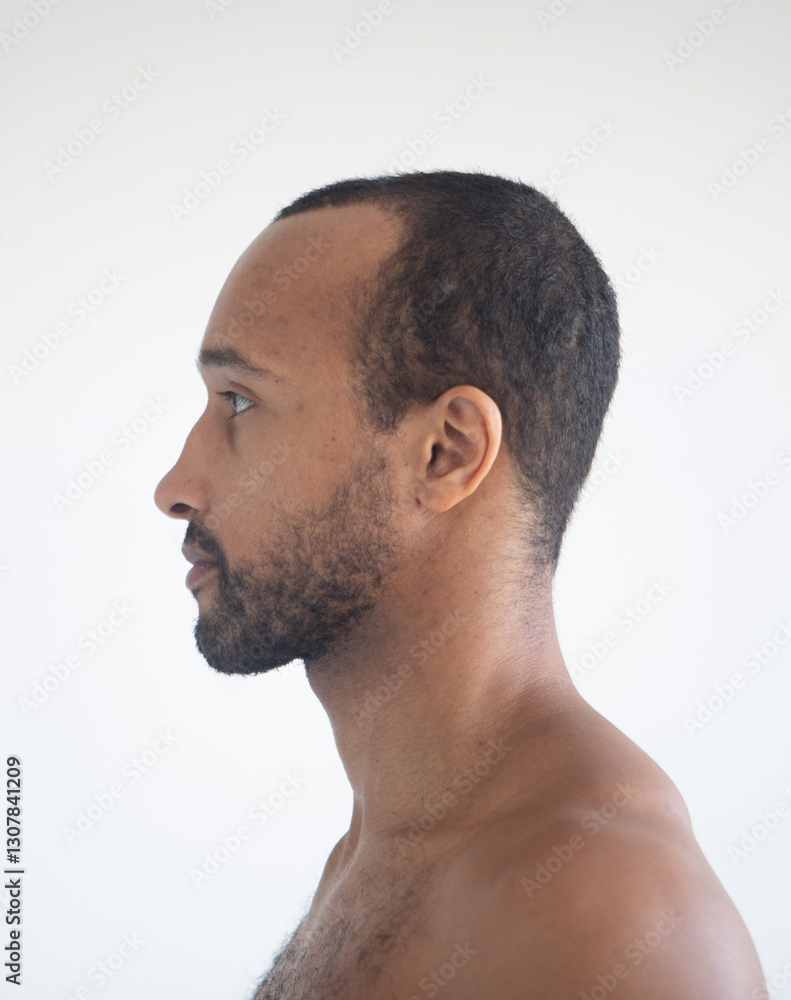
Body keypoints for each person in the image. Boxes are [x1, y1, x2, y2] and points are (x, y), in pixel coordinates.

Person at [154, 171, 766, 998]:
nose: (175, 487)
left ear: (447, 452)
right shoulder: (373, 854)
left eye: (239, 402)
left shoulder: (614, 913)